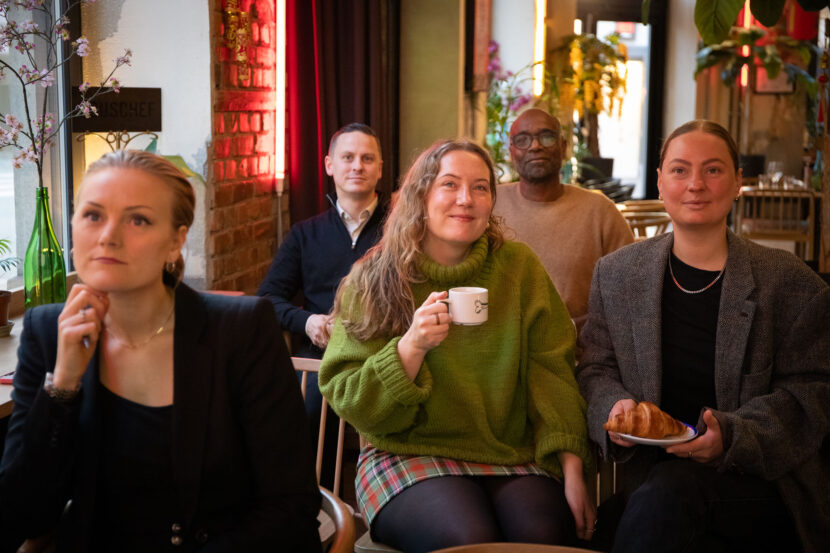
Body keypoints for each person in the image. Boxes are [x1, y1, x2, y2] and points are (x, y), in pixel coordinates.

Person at [0, 151, 322, 553]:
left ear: (176, 241)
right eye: (93, 215)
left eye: (138, 219)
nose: (108, 236)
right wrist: (63, 384)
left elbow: (291, 509)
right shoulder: (48, 332)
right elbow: (22, 518)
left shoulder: (240, 330)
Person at [320, 138, 595, 553]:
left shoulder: (518, 268)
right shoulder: (375, 278)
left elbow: (551, 372)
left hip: (509, 454)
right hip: (404, 453)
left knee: (543, 535)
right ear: (422, 195)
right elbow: (347, 395)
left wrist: (573, 468)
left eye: (481, 187)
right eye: (449, 184)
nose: (466, 199)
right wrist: (410, 348)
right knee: (468, 539)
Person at [576, 120, 830, 553]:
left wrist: (732, 436)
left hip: (758, 484)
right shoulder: (617, 274)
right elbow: (596, 367)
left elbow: (811, 396)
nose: (695, 184)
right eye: (679, 170)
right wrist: (612, 404)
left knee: (666, 499)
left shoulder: (790, 283)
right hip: (650, 483)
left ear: (737, 184)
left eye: (713, 170)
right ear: (659, 182)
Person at [493, 108, 633, 331]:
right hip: (501, 345)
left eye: (546, 137)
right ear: (512, 152)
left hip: (579, 352)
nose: (535, 146)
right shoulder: (490, 205)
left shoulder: (599, 211)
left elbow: (629, 288)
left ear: (564, 147)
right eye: (522, 139)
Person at [257, 122, 387, 359]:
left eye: (367, 159)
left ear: (379, 169)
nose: (357, 166)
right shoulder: (304, 234)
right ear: (330, 165)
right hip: (321, 361)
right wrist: (307, 322)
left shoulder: (401, 233)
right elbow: (267, 300)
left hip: (384, 359)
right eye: (348, 157)